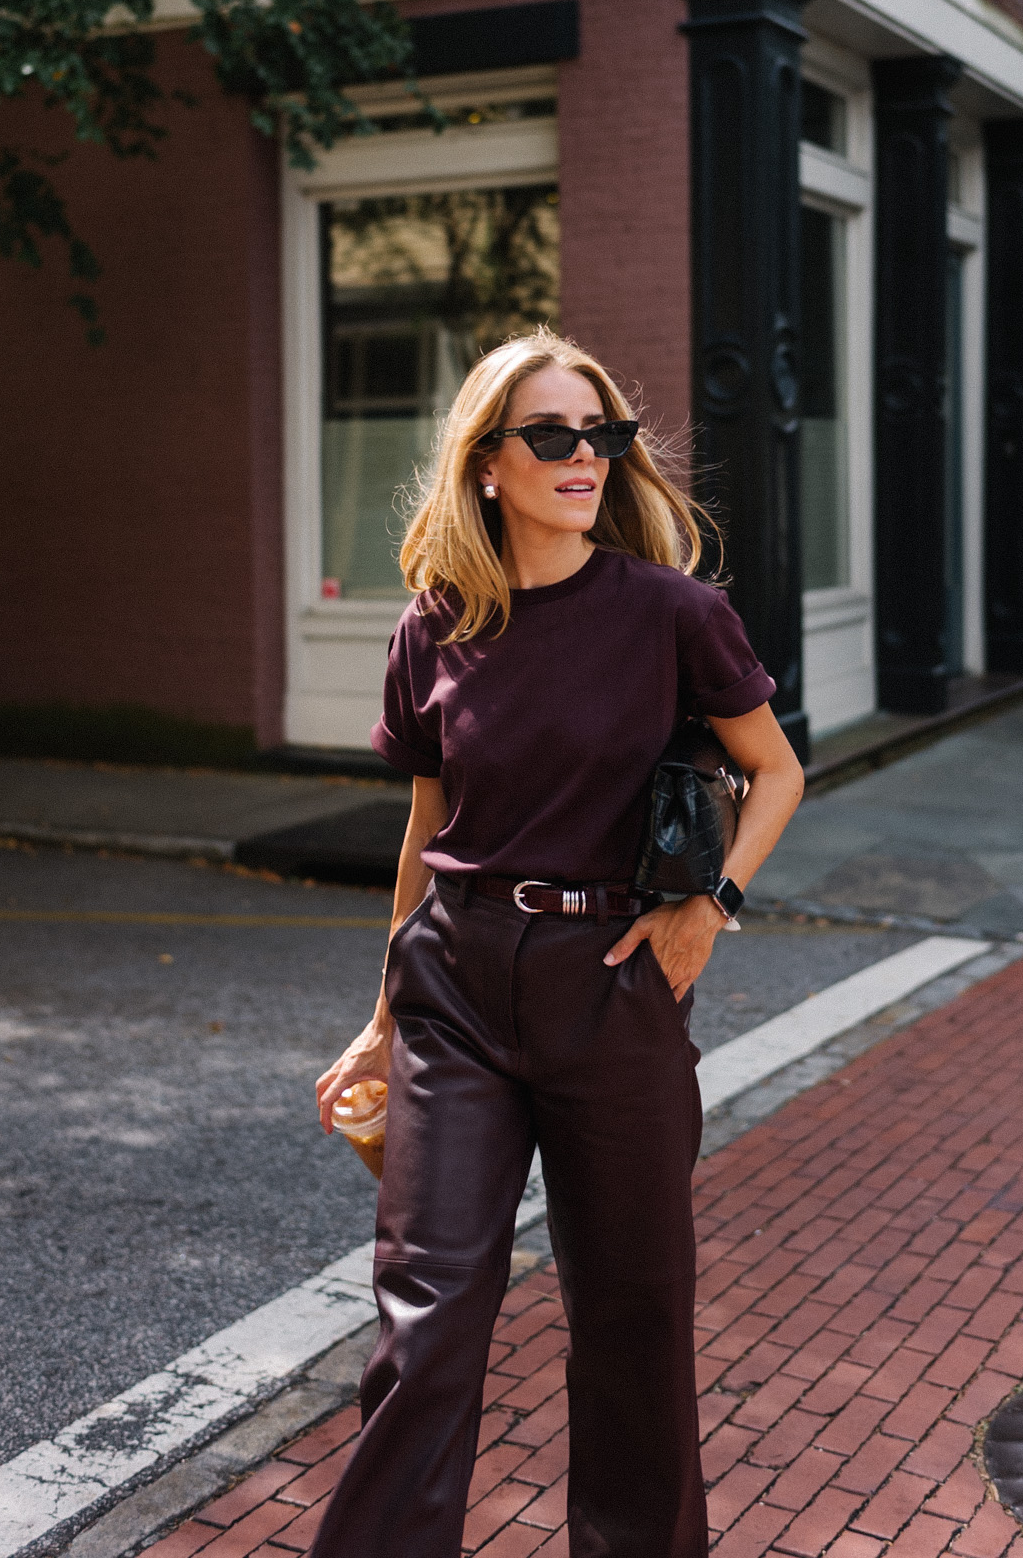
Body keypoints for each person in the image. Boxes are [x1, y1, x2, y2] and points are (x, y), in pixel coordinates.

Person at [312, 328, 804, 1558]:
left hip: (613, 987)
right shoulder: (433, 629)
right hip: (457, 984)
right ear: (487, 462)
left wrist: (713, 903)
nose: (583, 456)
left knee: (634, 1318)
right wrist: (380, 1017)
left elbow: (776, 771)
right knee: (425, 1324)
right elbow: (429, 826)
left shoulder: (674, 613)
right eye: (551, 435)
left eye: (601, 436)